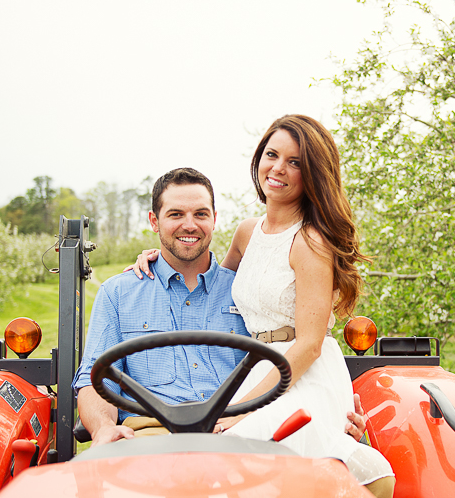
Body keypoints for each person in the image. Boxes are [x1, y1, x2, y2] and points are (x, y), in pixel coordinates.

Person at [130, 116, 395, 498]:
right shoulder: (247, 233)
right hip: (260, 365)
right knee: (230, 460)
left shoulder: (310, 242)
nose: (278, 168)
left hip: (303, 372)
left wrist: (243, 408)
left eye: (295, 162)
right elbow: (211, 281)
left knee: (237, 444)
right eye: (272, 155)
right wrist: (161, 255)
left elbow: (308, 345)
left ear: (313, 175)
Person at [72, 167, 368, 449]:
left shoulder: (246, 294)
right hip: (151, 433)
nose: (189, 225)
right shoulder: (119, 292)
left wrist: (329, 413)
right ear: (154, 221)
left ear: (214, 219)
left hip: (236, 430)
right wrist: (102, 427)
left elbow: (290, 353)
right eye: (175, 214)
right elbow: (94, 378)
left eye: (200, 214)